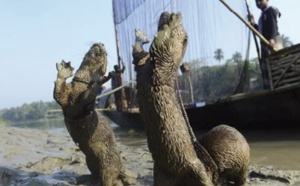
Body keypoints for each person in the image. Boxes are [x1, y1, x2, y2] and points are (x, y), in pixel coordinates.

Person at [249, 0, 281, 90]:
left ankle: (276, 87)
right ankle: (269, 88)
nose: (258, 3)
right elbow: (259, 32)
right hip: (264, 45)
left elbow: (273, 26)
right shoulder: (262, 16)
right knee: (265, 68)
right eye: (256, 1)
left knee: (274, 66)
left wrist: (271, 39)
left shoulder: (270, 10)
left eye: (260, 0)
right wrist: (253, 24)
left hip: (272, 44)